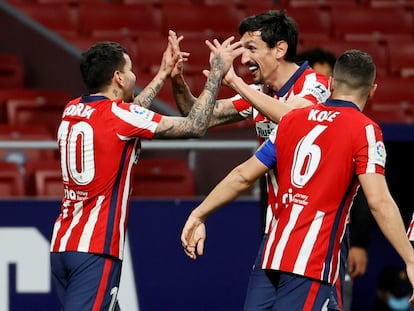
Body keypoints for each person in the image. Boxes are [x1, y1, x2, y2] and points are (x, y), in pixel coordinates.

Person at [180, 49, 414, 310]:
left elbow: (242, 175)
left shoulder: (293, 120)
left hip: (271, 254)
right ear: (372, 90)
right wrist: (411, 259)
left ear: (333, 84)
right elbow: (379, 202)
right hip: (311, 262)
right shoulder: (366, 130)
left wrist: (198, 214)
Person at [49, 31, 243, 310]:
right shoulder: (120, 117)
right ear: (118, 77)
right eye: (130, 71)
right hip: (96, 249)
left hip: (63, 245)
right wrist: (216, 73)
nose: (133, 77)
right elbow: (195, 126)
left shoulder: (73, 109)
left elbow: (128, 115)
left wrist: (164, 74)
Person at [171, 10, 331, 310]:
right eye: (241, 49)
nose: (243, 59)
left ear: (280, 49)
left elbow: (294, 117)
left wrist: (233, 81)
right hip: (275, 232)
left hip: (315, 234)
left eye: (251, 48)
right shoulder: (259, 93)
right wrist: (178, 80)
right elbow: (196, 117)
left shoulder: (316, 86)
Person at [297, 46, 377, 311]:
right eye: (314, 82)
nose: (321, 90)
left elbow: (368, 194)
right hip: (285, 240)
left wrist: (360, 242)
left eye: (325, 81)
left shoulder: (358, 131)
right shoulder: (290, 123)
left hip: (333, 239)